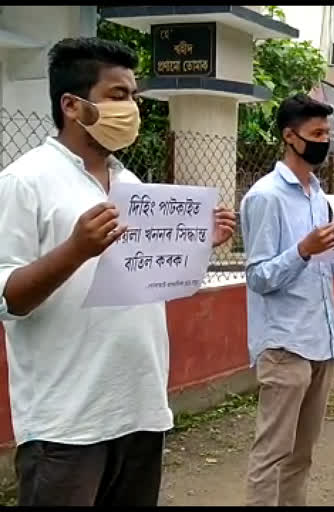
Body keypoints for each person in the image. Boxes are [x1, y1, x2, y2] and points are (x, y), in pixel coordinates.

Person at [0, 37, 237, 506]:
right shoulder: (24, 181)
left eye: (133, 96)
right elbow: (10, 298)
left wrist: (194, 241)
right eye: (117, 95)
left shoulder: (131, 185)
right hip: (66, 423)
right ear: (72, 104)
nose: (131, 108)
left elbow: (148, 277)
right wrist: (75, 249)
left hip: (141, 408)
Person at [240, 94, 334, 506]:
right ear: (290, 137)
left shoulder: (319, 195)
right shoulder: (266, 196)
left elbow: (324, 269)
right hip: (285, 343)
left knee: (302, 454)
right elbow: (257, 276)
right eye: (317, 133)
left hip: (323, 339)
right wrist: (302, 249)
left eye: (328, 133)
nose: (326, 141)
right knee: (273, 452)